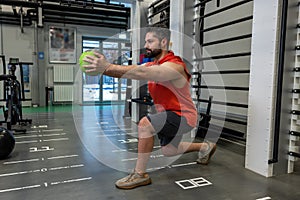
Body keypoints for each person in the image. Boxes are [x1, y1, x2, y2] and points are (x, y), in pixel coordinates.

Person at [82, 24, 217, 189]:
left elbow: (146, 73)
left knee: (145, 125)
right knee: (169, 151)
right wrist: (104, 69)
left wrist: (108, 67)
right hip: (170, 115)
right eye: (146, 41)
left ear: (164, 42)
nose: (146, 45)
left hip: (184, 116)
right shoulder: (152, 64)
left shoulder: (176, 65)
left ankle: (140, 175)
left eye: (150, 41)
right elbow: (133, 71)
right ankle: (205, 146)